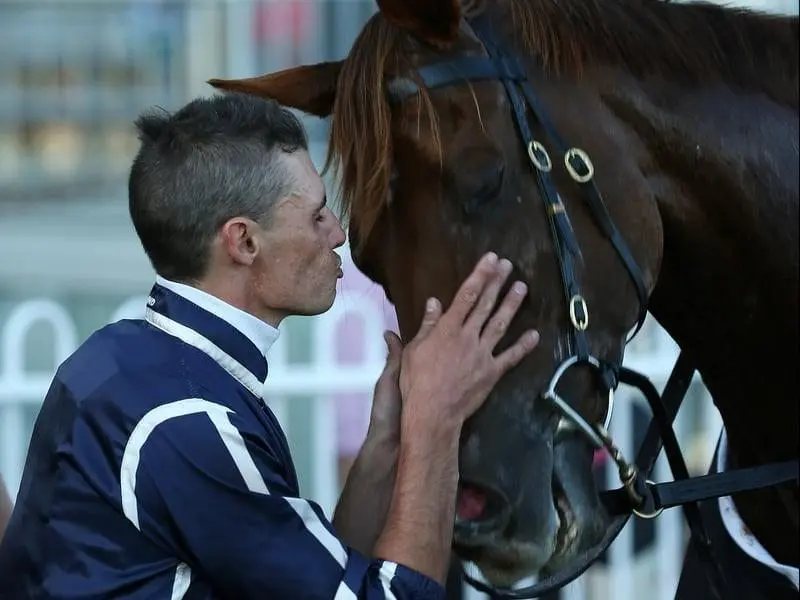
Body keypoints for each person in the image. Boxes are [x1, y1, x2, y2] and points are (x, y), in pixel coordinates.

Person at [0, 93, 540, 600]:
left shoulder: (122, 358)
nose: (337, 234)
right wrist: (437, 421)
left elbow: (323, 575)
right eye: (316, 214)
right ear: (244, 242)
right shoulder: (189, 420)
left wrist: (388, 441)